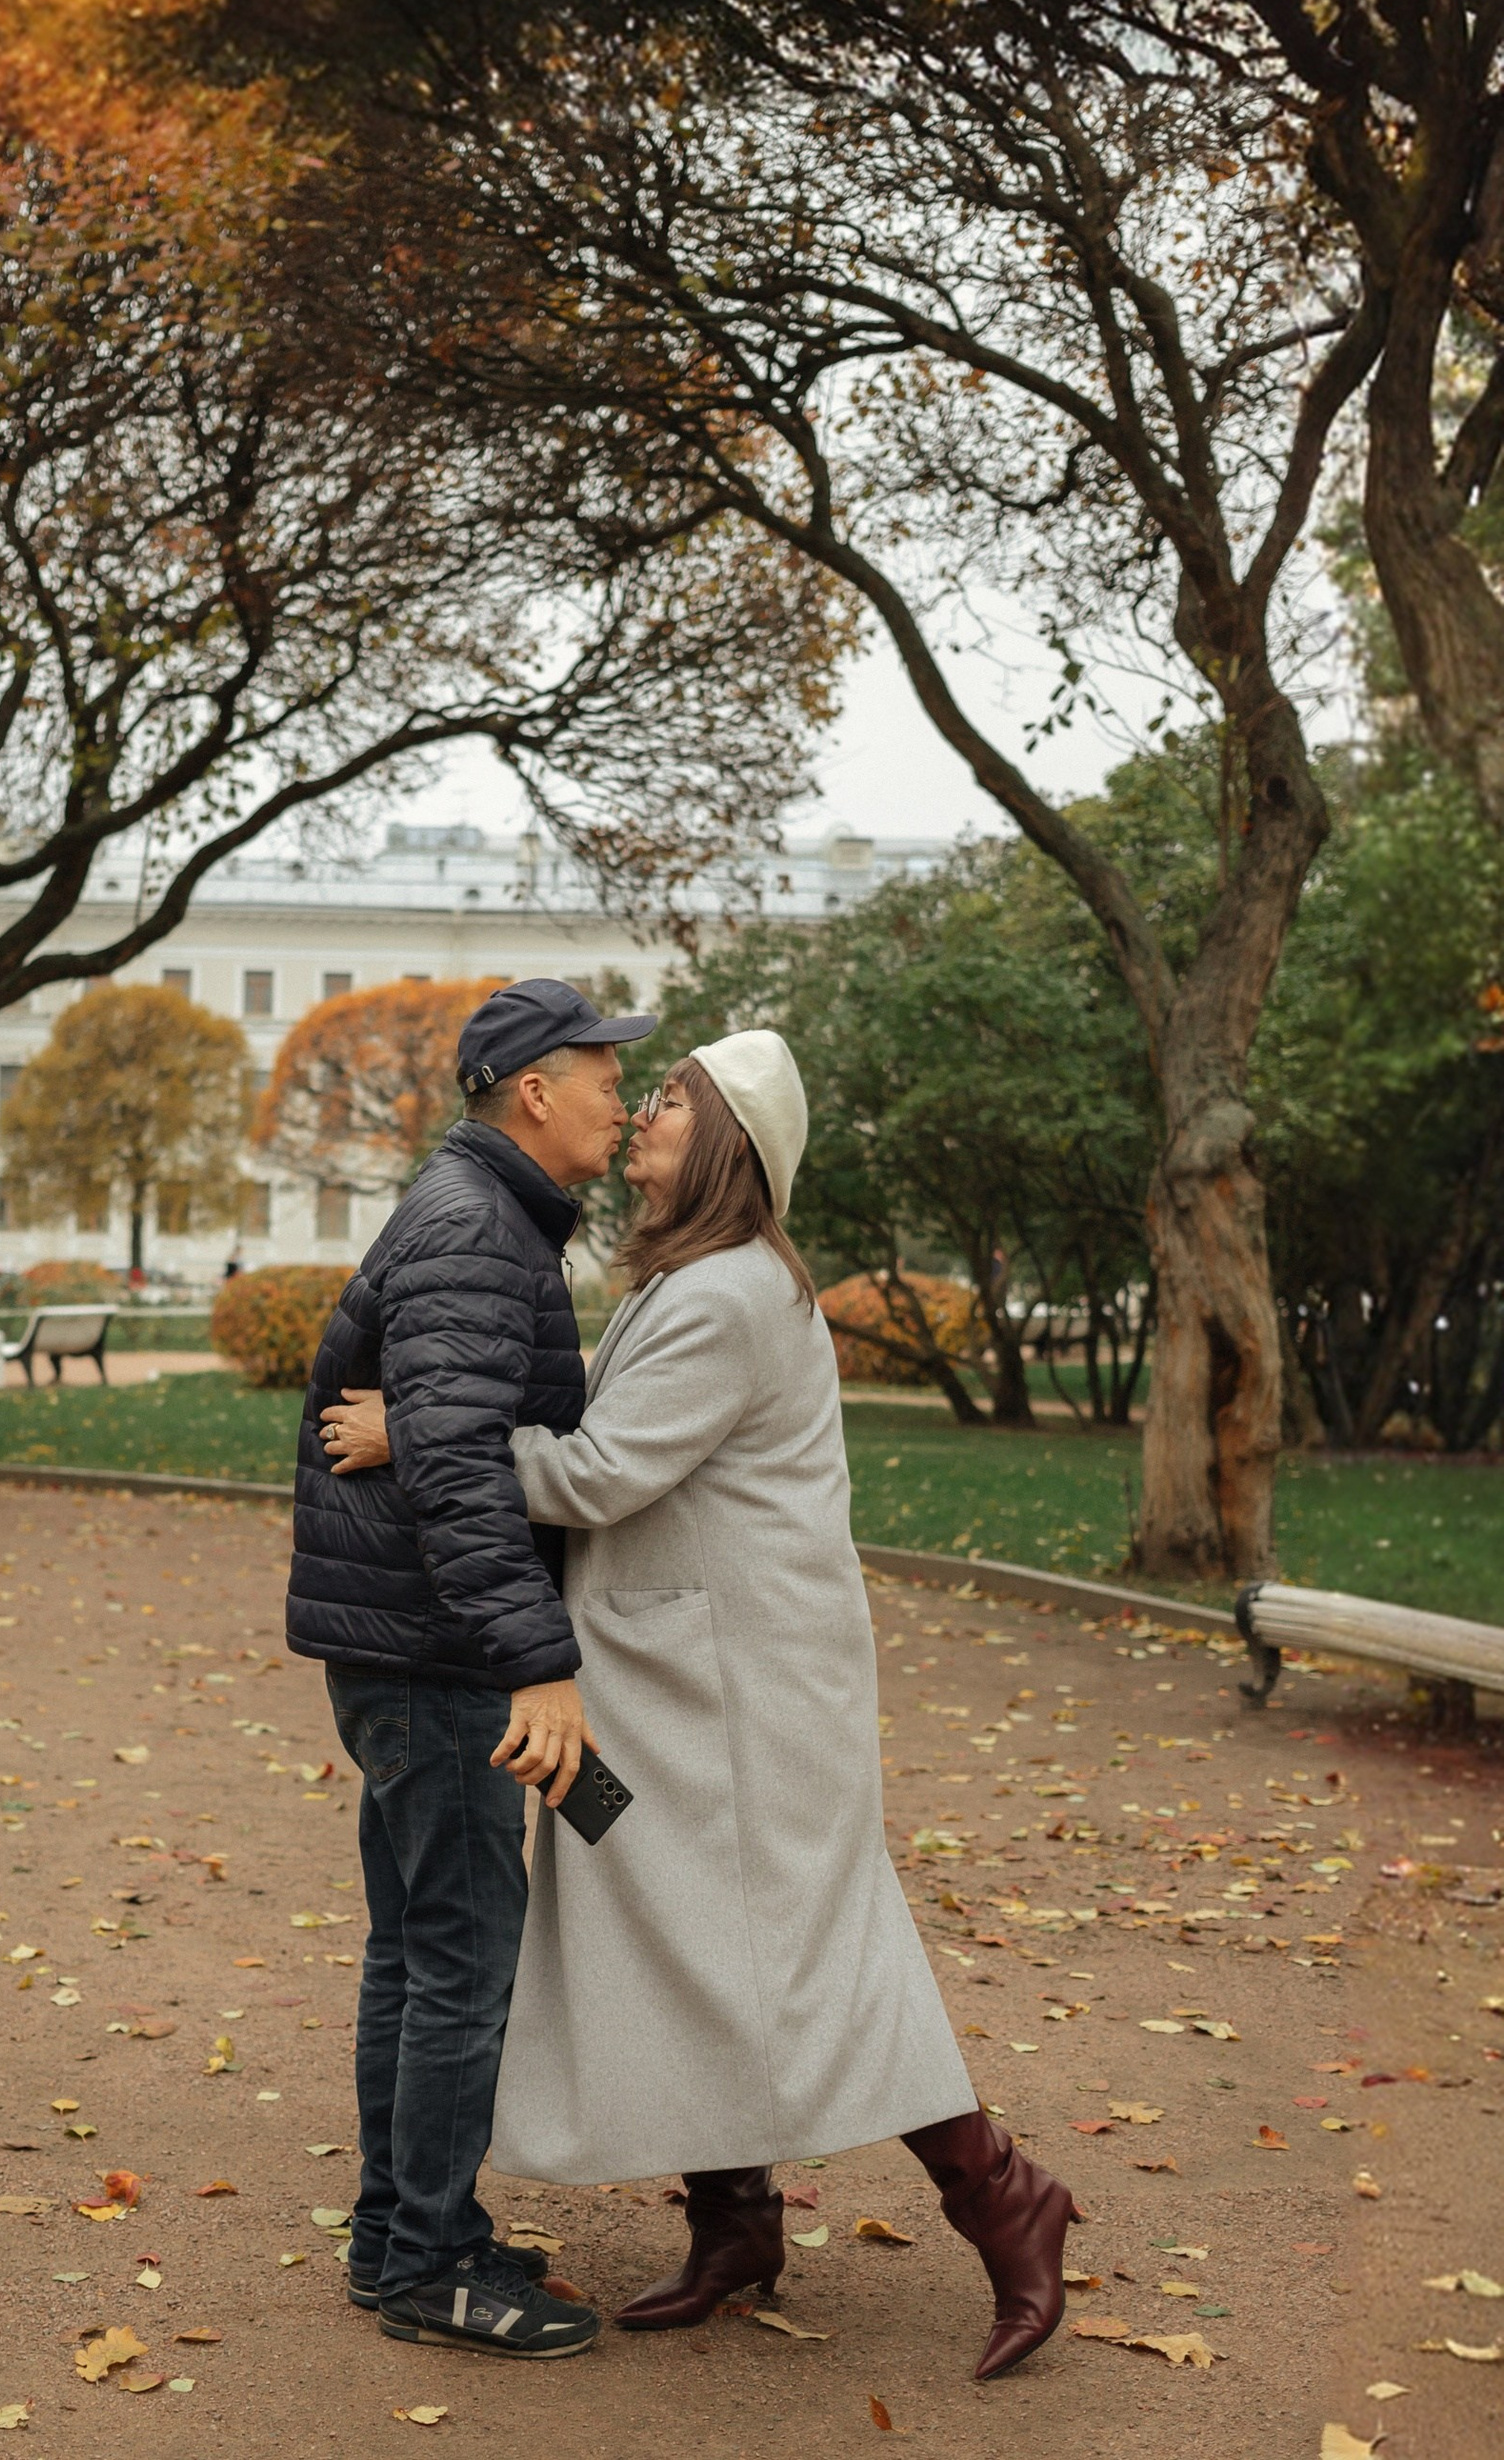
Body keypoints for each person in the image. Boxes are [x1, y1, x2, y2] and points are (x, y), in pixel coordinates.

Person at [319, 1032, 1077, 2383]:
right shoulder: (694, 1276)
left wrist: (421, 1434)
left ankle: (1005, 2196)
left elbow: (605, 1474)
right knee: (678, 1936)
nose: (646, 1108)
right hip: (662, 1687)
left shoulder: (730, 1292)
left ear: (726, 1139)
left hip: (744, 1701)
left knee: (806, 1950)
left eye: (670, 1097)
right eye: (644, 1089)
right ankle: (735, 2224)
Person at [284, 976, 650, 2361]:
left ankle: (400, 2237)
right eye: (603, 1073)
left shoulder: (480, 1217)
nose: (623, 1095)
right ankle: (431, 2262)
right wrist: (536, 1667)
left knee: (418, 1952)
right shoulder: (475, 1230)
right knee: (457, 1962)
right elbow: (451, 1469)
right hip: (436, 1658)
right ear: (533, 1092)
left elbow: (436, 1435)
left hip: (406, 1645)